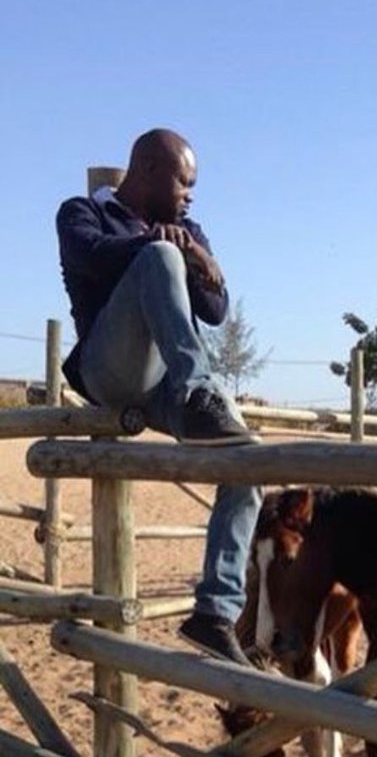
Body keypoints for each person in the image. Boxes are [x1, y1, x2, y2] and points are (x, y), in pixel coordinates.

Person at [56, 128, 262, 667]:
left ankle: (215, 611)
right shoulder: (83, 213)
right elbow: (92, 257)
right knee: (158, 259)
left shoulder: (187, 229)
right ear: (146, 169)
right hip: (113, 371)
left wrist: (192, 251)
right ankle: (199, 394)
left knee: (251, 460)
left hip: (166, 383)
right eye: (183, 181)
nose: (190, 195)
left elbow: (215, 309)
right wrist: (167, 247)